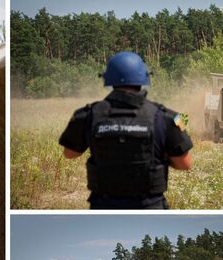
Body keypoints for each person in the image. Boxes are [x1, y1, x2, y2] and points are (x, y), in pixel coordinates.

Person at [59, 51, 193, 209]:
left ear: (108, 79)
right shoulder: (169, 118)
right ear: (144, 77)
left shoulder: (87, 115)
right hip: (150, 206)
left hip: (103, 206)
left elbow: (69, 154)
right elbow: (185, 164)